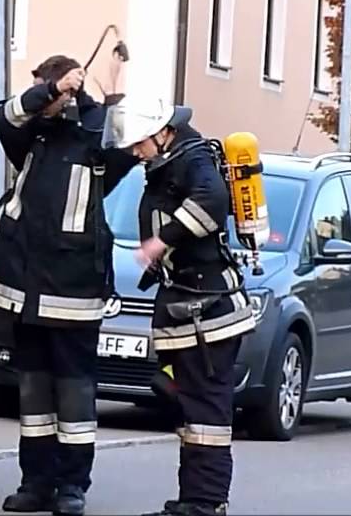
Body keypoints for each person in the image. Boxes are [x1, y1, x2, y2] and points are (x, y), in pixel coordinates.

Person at [0, 53, 136, 516]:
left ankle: (72, 486)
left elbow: (126, 139)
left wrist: (87, 94)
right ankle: (36, 483)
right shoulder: (31, 135)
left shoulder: (95, 137)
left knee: (73, 395)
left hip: (74, 293)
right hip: (26, 292)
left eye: (46, 91)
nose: (37, 103)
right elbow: (3, 115)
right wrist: (48, 93)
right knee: (33, 395)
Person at [104, 98, 256, 516]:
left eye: (139, 143)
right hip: (183, 310)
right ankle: (193, 499)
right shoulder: (167, 162)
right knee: (183, 402)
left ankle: (205, 503)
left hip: (208, 316)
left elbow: (211, 202)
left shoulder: (193, 157)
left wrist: (160, 240)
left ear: (161, 131)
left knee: (206, 415)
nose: (135, 152)